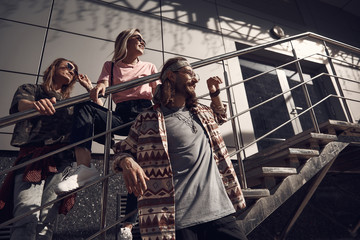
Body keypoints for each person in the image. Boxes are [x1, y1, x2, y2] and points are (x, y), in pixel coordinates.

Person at [112, 57, 248, 240]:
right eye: (190, 73)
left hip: (220, 213)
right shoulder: (148, 119)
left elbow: (220, 117)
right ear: (172, 76)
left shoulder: (201, 112)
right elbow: (122, 150)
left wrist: (215, 95)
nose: (196, 79)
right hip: (179, 223)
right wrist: (127, 162)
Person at [54, 28, 160, 239]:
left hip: (145, 116)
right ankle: (84, 167)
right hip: (121, 116)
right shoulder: (110, 67)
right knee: (85, 107)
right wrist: (97, 87)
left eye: (143, 39)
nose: (142, 41)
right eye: (137, 38)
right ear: (125, 41)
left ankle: (127, 226)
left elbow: (158, 94)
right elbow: (103, 85)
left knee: (136, 165)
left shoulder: (150, 66)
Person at [0, 58, 96, 240]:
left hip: (61, 163)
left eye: (75, 71)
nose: (72, 71)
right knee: (26, 216)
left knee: (46, 222)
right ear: (54, 67)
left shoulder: (73, 103)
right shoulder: (32, 89)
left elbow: (96, 114)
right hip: (32, 158)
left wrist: (89, 89)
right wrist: (35, 105)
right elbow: (21, 105)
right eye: (69, 66)